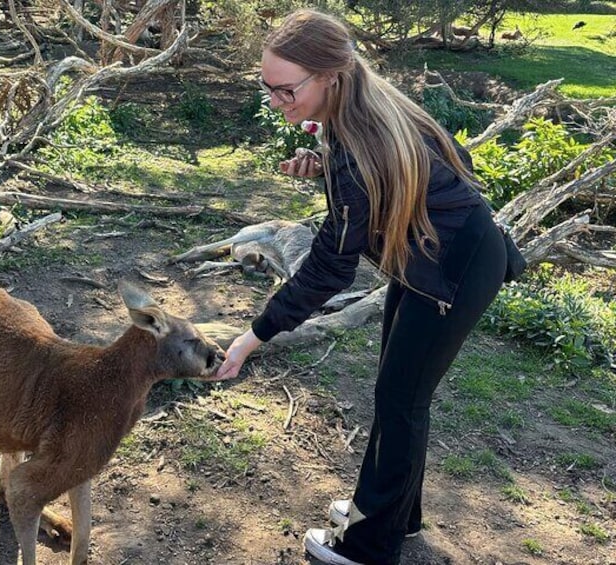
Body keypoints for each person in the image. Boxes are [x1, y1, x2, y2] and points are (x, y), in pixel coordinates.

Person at [214, 9, 508, 565]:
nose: (277, 101)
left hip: (451, 273)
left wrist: (253, 336)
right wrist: (325, 167)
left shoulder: (359, 141)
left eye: (285, 90)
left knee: (401, 400)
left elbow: (329, 267)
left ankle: (370, 547)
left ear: (329, 76)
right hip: (428, 260)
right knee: (397, 394)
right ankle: (398, 514)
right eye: (267, 88)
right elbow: (448, 165)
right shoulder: (368, 109)